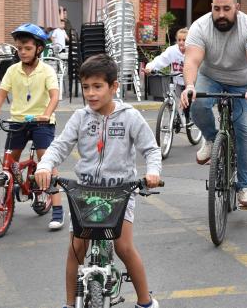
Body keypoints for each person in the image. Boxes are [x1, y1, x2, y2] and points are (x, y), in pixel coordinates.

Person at [34, 54, 162, 308]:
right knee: (76, 249)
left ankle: (145, 301)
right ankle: (70, 303)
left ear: (114, 87)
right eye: (85, 87)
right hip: (84, 193)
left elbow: (151, 149)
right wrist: (45, 165)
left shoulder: (130, 117)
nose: (90, 93)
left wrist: (153, 173)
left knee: (123, 246)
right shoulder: (81, 117)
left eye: (97, 86)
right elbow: (59, 146)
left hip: (120, 193)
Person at [180, 0, 247, 208]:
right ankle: (210, 138)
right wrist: (189, 85)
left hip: (243, 82)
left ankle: (245, 187)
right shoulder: (200, 26)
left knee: (246, 130)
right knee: (196, 102)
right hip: (210, 77)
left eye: (226, 9)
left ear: (237, 8)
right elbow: (191, 60)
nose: (221, 14)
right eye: (216, 9)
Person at [0, 23, 64, 229]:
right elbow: (2, 93)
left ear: (39, 48)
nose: (22, 52)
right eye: (19, 48)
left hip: (41, 123)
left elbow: (55, 95)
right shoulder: (12, 70)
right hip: (17, 122)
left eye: (27, 48)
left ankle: (57, 209)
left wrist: (46, 114)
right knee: (9, 163)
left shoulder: (46, 70)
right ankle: (11, 191)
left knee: (46, 161)